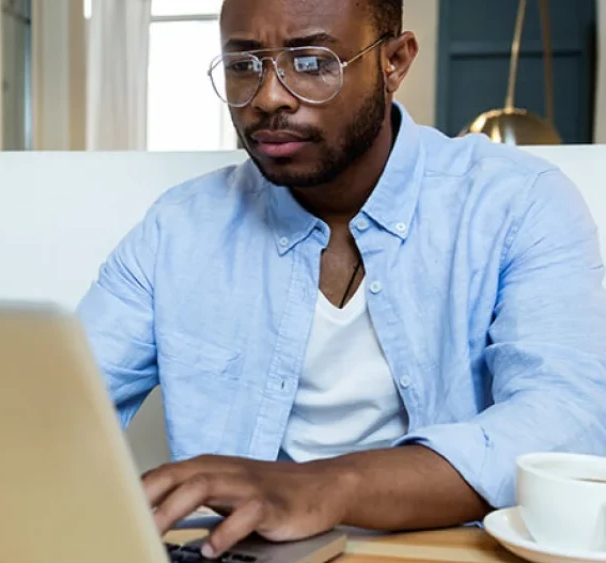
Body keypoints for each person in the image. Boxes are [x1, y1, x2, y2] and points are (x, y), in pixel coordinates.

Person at [75, 0, 606, 558]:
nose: (269, 97)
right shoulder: (178, 228)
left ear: (394, 62)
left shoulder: (518, 203)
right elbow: (55, 405)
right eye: (243, 65)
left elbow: (567, 425)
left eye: (311, 62)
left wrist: (323, 488)